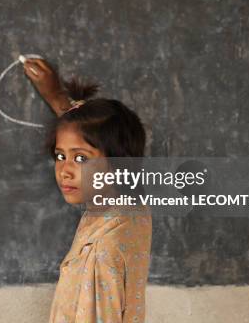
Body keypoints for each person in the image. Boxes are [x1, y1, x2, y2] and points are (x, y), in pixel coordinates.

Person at [22, 57, 153, 323]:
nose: (64, 170)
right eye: (59, 156)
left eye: (80, 159)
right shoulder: (131, 211)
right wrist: (58, 98)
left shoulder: (100, 252)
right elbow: (87, 137)